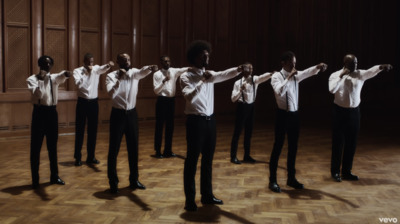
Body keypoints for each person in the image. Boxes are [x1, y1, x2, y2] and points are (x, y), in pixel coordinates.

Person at [180, 40, 248, 211]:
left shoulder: (209, 73)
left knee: (208, 161)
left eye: (208, 54)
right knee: (192, 161)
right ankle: (190, 199)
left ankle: (207, 195)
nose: (207, 57)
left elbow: (225, 74)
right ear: (195, 57)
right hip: (195, 123)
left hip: (210, 122)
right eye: (203, 55)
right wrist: (203, 81)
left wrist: (239, 69)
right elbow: (189, 97)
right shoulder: (186, 76)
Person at [268, 51, 327, 193]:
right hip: (282, 115)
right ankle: (273, 181)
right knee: (278, 147)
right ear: (283, 63)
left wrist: (318, 67)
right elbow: (279, 91)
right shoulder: (276, 76)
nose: (294, 65)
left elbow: (307, 72)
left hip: (294, 116)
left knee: (293, 148)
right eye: (290, 62)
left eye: (295, 62)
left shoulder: (296, 75)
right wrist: (288, 78)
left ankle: (291, 179)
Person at [328, 54, 392, 182]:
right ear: (345, 63)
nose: (355, 65)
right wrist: (342, 76)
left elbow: (370, 71)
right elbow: (332, 89)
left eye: (356, 63)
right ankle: (335, 172)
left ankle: (346, 171)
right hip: (340, 112)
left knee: (351, 143)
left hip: (354, 113)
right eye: (353, 63)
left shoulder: (360, 74)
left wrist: (380, 67)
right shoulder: (335, 75)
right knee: (338, 143)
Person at [105, 53, 158, 194]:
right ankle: (113, 182)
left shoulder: (134, 73)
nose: (127, 62)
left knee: (133, 149)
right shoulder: (111, 76)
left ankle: (134, 180)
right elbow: (111, 94)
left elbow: (142, 72)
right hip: (117, 115)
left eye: (128, 59)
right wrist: (119, 80)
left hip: (132, 115)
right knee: (113, 150)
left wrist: (150, 68)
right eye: (124, 60)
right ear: (118, 62)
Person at [27, 55, 71, 189]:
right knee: (36, 148)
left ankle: (54, 176)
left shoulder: (54, 78)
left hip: (52, 113)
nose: (47, 65)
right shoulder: (31, 79)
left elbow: (62, 75)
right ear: (39, 64)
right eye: (45, 63)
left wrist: (66, 74)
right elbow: (38, 95)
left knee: (52, 147)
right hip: (39, 113)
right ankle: (35, 179)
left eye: (49, 63)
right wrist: (41, 81)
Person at [73, 53, 114, 166]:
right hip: (82, 102)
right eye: (88, 62)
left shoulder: (96, 69)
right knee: (80, 130)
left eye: (92, 62)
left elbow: (102, 68)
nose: (91, 64)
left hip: (93, 103)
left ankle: (91, 157)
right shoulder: (77, 71)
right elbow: (79, 85)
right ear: (84, 61)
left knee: (93, 131)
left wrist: (108, 65)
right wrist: (87, 72)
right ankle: (78, 157)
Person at [230, 63, 273, 164]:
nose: (251, 69)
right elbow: (233, 99)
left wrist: (271, 74)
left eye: (252, 68)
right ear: (244, 69)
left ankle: (246, 156)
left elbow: (263, 77)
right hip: (242, 107)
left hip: (251, 107)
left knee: (248, 133)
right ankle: (233, 156)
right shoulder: (237, 83)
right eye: (249, 68)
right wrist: (240, 90)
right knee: (237, 133)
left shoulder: (255, 80)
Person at [153, 55, 188, 158]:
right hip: (161, 101)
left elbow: (184, 69)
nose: (167, 63)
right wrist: (164, 81)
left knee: (170, 127)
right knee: (159, 126)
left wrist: (194, 68)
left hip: (171, 101)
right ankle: (158, 151)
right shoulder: (157, 74)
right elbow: (155, 91)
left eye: (168, 61)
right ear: (161, 63)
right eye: (165, 61)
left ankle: (168, 150)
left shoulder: (174, 71)